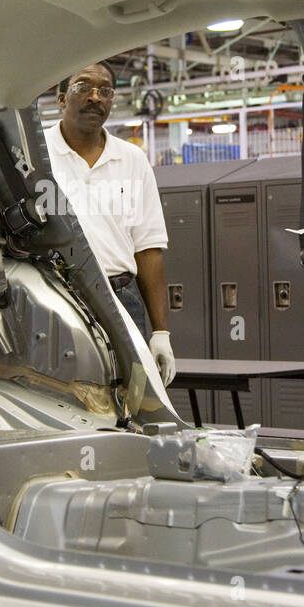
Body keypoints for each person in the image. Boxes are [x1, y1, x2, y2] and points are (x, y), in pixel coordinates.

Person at [43, 61, 176, 386]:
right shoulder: (37, 154)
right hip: (55, 297)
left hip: (122, 300)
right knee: (58, 397)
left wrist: (160, 332)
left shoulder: (131, 159)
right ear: (61, 99)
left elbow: (148, 248)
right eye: (82, 87)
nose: (95, 97)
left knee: (127, 401)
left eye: (105, 91)